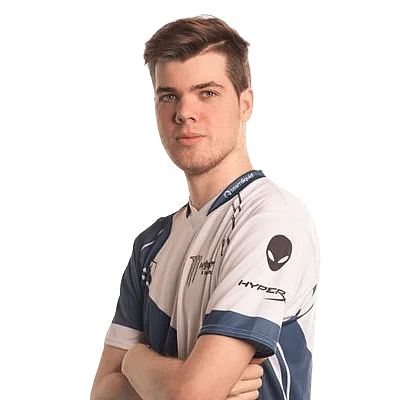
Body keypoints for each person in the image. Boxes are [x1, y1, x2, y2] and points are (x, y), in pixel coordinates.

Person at [89, 14, 320, 400]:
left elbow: (191, 394)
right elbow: (102, 392)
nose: (184, 112)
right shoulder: (152, 243)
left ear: (245, 104)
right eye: (169, 96)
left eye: (207, 93)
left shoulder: (271, 220)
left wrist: (136, 362)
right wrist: (167, 378)